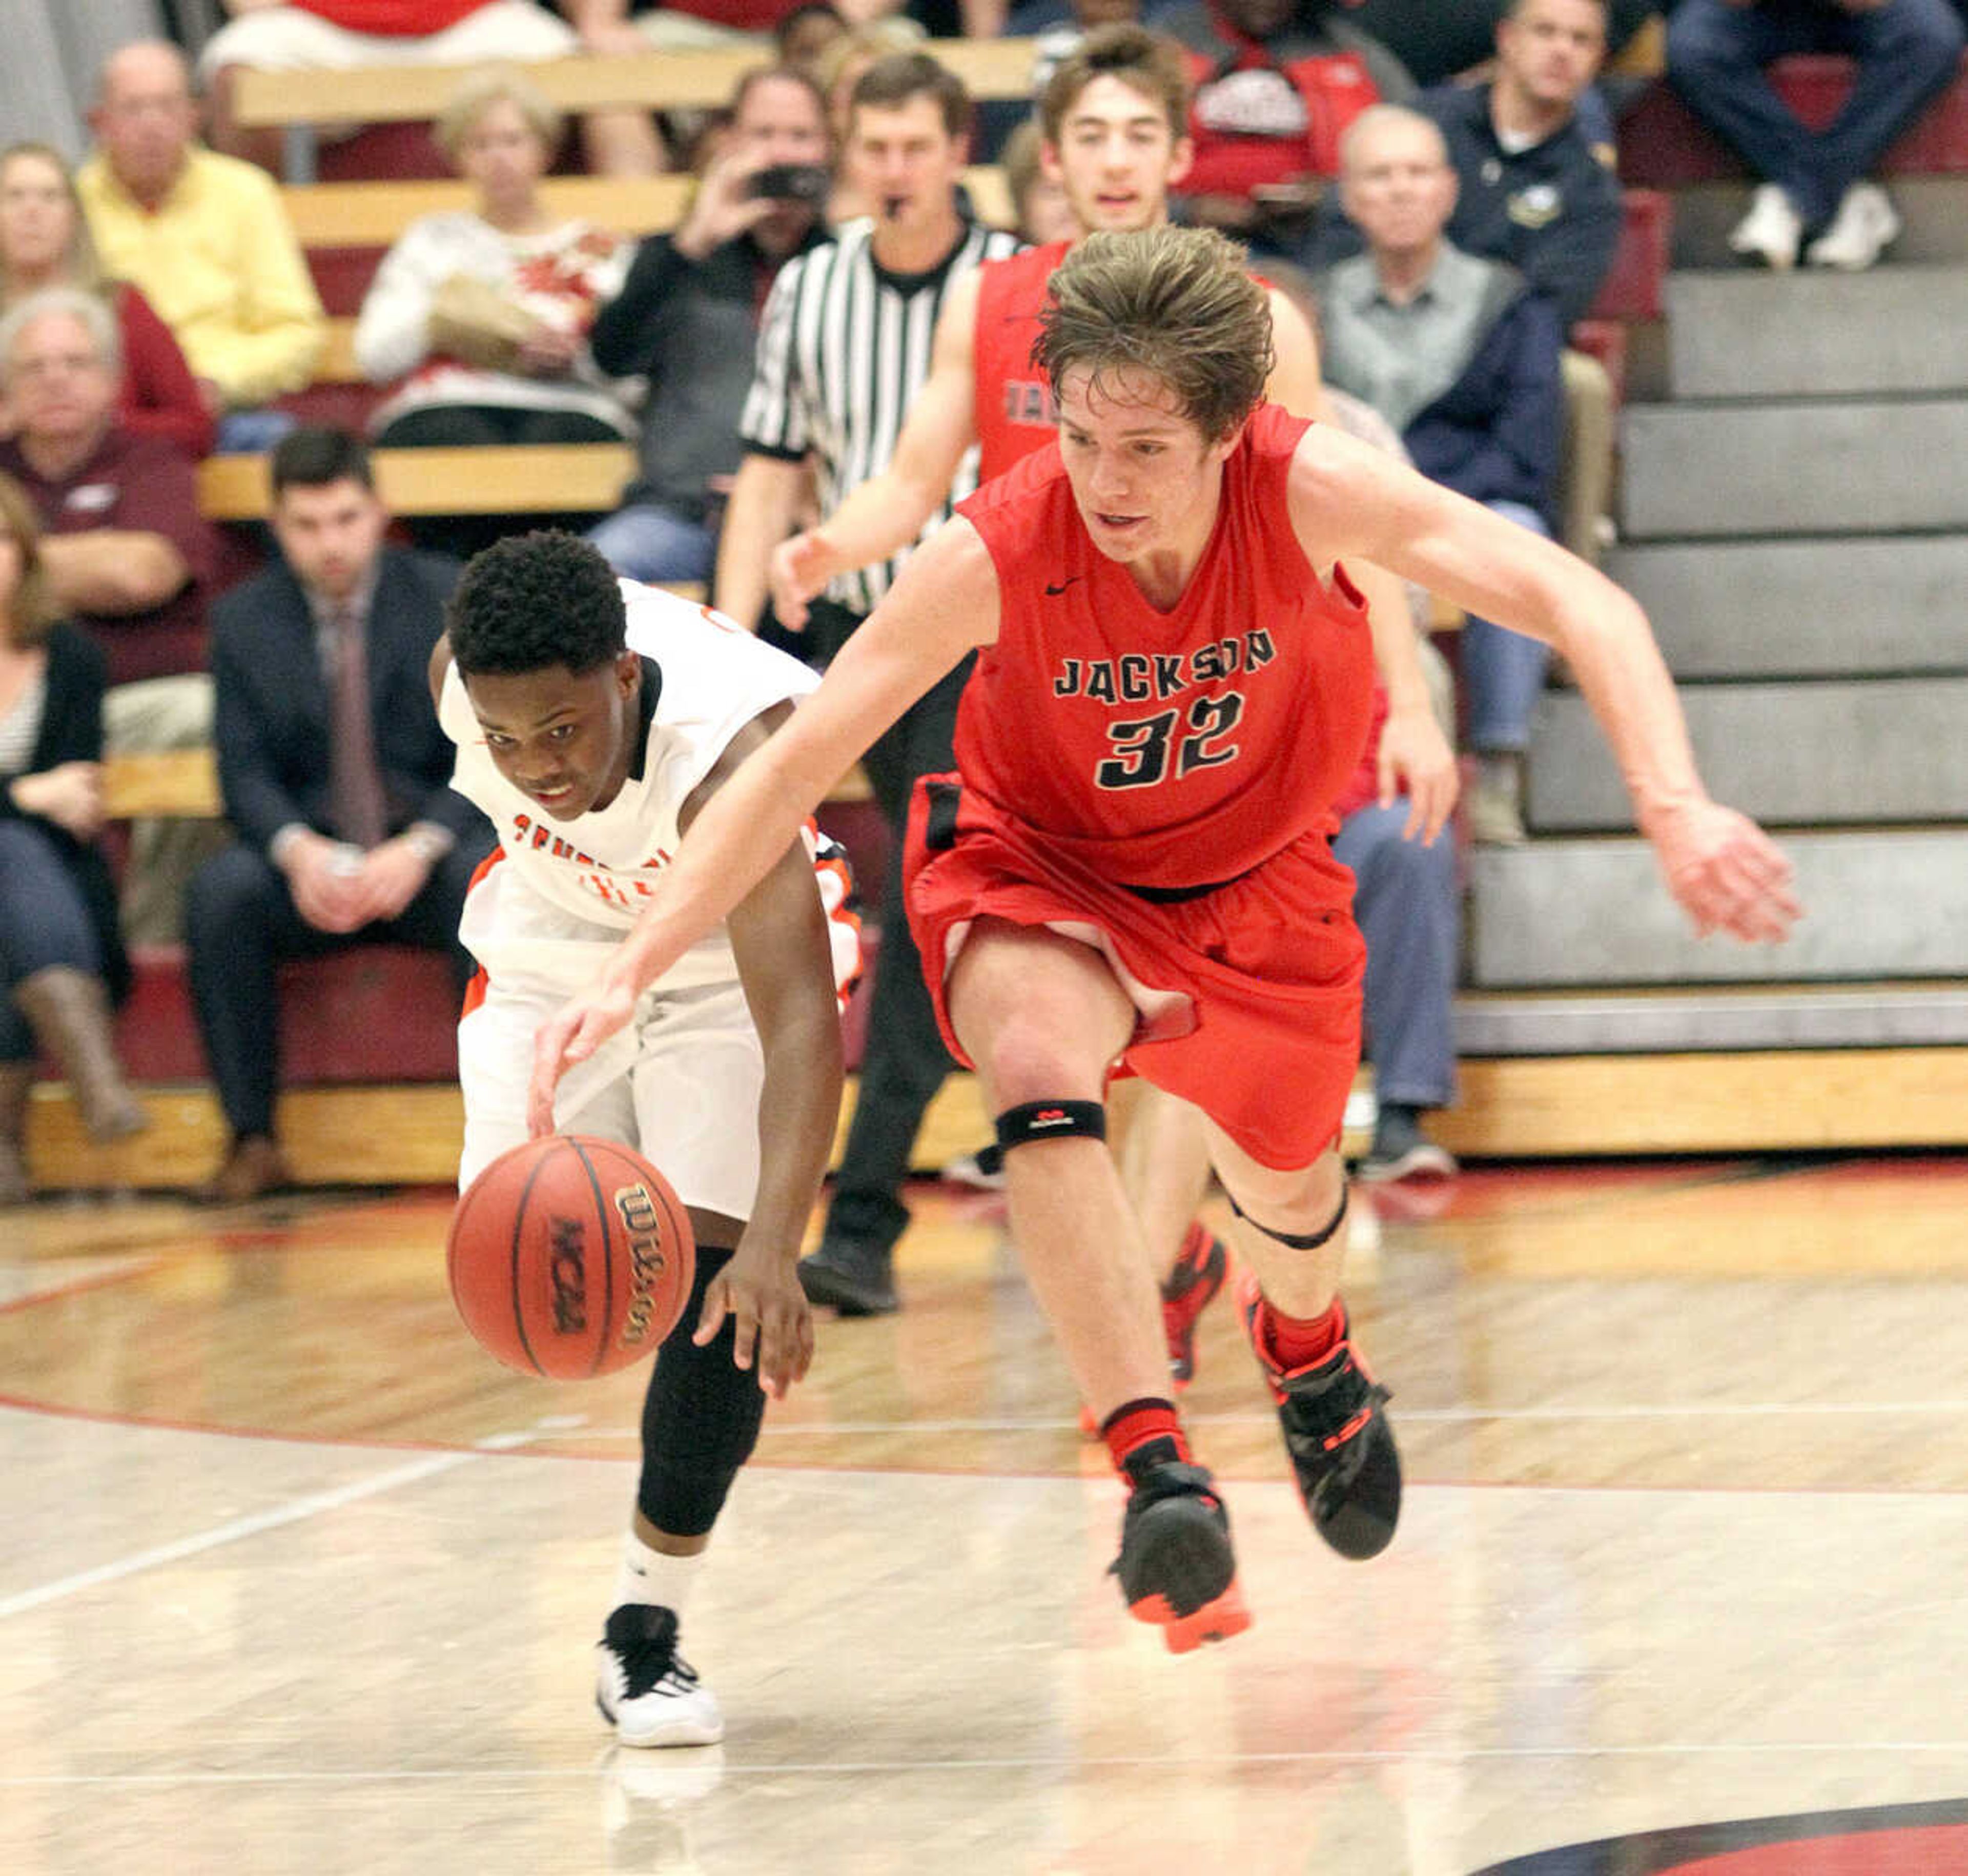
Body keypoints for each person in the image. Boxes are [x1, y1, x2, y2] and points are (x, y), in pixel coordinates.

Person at [524, 226, 1799, 1651]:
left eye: (1145, 451)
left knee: (1295, 1211)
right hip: (1043, 864)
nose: (1106, 482)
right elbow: (796, 759)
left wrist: (1675, 808)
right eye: (1080, 439)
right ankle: (1156, 1470)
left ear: (1229, 429)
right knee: (1028, 1058)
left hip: (1259, 889)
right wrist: (634, 956)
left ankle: (1308, 1355)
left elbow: (1581, 597)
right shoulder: (1004, 538)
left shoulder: (1310, 487)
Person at [771, 26, 1453, 1314]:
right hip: (1042, 698)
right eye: (1091, 133)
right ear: (1054, 159)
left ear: (1182, 153)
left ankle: (1150, 1274)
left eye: (1141, 132)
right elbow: (917, 478)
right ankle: (1126, 1263)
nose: (1116, 156)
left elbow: (1352, 531)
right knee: (1040, 998)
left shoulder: (1250, 322)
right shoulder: (993, 299)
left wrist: (1408, 702)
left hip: (1215, 700)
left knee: (1208, 1001)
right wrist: (833, 541)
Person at [431, 529, 859, 1746]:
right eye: (508, 739)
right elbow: (509, 741)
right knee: (533, 1270)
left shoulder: (728, 754)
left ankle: (644, 1628)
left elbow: (796, 1020)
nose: (534, 765)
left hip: (724, 966)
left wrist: (778, 1243)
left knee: (718, 1294)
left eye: (560, 730)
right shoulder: (459, 680)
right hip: (552, 950)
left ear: (622, 676)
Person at [717, 52, 1021, 1316]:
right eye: (874, 148)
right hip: (849, 602)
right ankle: (777, 1193)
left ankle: (867, 1208)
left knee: (923, 879)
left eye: (915, 146)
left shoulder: (1009, 278)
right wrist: (727, 648)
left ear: (956, 148)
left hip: (979, 612)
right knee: (821, 864)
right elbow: (768, 467)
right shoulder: (815, 283)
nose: (893, 171)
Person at [184, 427, 490, 1204]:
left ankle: (503, 1135)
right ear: (276, 525)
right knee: (222, 893)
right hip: (312, 862)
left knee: (487, 881)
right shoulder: (242, 621)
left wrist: (419, 845)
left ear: (380, 512)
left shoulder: (448, 597)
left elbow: (488, 749)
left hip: (426, 851)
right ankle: (251, 1138)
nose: (331, 543)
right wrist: (297, 852)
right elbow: (242, 773)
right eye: (308, 525)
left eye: (348, 519)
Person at [1317, 104, 1566, 845]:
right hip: (1342, 524)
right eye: (1380, 176)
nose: (1401, 191)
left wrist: (1417, 504)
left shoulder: (1509, 303)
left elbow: (1525, 454)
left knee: (1517, 535)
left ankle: (1496, 763)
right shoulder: (1310, 310)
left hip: (1467, 508)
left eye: (1419, 173)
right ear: (1350, 198)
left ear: (1450, 191)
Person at [0, 287, 222, 947]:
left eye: (75, 362)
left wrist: (22, 564)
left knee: (204, 717)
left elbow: (142, 573)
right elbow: (117, 570)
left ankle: (147, 938)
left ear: (111, 378)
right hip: (16, 703)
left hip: (133, 702)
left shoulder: (152, 461)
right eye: (34, 367)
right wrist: (94, 560)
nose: (56, 379)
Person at [354, 69, 638, 562]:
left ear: (545, 149)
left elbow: (636, 377)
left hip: (570, 408)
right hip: (448, 408)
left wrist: (575, 359)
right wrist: (444, 323)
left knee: (562, 445)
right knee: (451, 440)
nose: (499, 157)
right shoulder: (431, 240)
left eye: (513, 140)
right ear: (459, 156)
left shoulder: (600, 250)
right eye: (480, 143)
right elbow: (374, 355)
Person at [586, 66, 833, 588]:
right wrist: (692, 243)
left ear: (828, 148)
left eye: (800, 136)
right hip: (683, 515)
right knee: (591, 578)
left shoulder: (849, 263)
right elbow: (611, 357)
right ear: (732, 143)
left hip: (815, 519)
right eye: (763, 135)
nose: (782, 153)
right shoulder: (678, 256)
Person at [0, 470, 147, 1205]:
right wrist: (23, 795)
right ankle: (96, 1079)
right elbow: (50, 795)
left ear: (24, 553)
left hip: (56, 890)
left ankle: (4, 1153)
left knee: (10, 865)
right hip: (33, 872)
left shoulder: (72, 656)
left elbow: (82, 798)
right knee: (9, 845)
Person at [76, 42, 326, 454]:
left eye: (167, 106)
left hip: (225, 410)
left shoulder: (244, 192)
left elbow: (297, 331)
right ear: (98, 121)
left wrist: (217, 383)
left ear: (196, 116)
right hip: (104, 421)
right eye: (133, 108)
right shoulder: (70, 204)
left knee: (295, 456)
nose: (152, 124)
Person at [197, 0, 663, 180]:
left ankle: (640, 256)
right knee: (238, 70)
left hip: (474, 21)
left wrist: (598, 20)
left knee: (605, 76)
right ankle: (258, 252)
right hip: (321, 26)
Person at [1667, 0, 1965, 272]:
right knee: (1693, 47)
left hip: (1870, 14)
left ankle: (1798, 198)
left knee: (1932, 35)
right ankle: (1837, 195)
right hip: (1758, 16)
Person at [0, 141, 213, 459]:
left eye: (50, 196)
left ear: (74, 215)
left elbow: (195, 429)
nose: (33, 211)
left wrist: (100, 423)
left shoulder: (124, 307)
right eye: (14, 196)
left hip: (119, 489)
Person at [1145, 0, 1414, 251]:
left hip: (1321, 249)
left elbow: (1417, 156)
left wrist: (1330, 199)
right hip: (1177, 244)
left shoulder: (1349, 51)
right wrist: (1188, 210)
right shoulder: (1160, 48)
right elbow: (1112, 172)